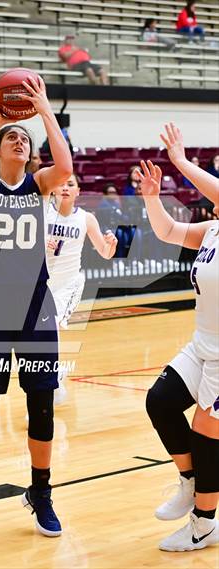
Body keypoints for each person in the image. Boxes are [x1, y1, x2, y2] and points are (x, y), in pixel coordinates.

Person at [0, 75, 72, 543]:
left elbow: (64, 164)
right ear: (0, 152)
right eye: (12, 140)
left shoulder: (40, 185)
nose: (20, 142)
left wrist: (42, 111)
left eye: (25, 140)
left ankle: (40, 493)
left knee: (41, 408)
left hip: (36, 308)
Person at [139, 123, 218, 552]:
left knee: (207, 432)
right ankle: (189, 482)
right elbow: (169, 232)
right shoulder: (212, 231)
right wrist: (152, 198)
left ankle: (204, 524)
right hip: (202, 345)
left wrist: (181, 162)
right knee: (160, 401)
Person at [46, 174, 117, 404]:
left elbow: (105, 253)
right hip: (43, 283)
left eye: (71, 184)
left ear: (78, 191)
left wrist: (112, 245)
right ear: (53, 189)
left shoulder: (86, 219)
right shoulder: (43, 214)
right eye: (62, 183)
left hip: (69, 285)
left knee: (50, 326)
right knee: (39, 334)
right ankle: (54, 373)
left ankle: (52, 386)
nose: (65, 187)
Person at [97, 183, 141, 257]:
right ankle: (118, 261)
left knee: (137, 232)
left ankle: (135, 259)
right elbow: (104, 220)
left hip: (118, 226)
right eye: (110, 192)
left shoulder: (117, 204)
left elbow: (123, 218)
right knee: (119, 233)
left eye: (114, 192)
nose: (113, 194)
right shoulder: (103, 205)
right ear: (105, 194)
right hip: (107, 228)